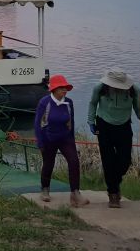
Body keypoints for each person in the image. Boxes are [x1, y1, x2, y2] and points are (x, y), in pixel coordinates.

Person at [87, 68, 140, 208]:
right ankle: (113, 194)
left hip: (124, 126)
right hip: (104, 125)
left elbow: (139, 108)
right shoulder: (100, 88)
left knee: (125, 161)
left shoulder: (133, 90)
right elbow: (93, 103)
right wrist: (91, 121)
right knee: (108, 160)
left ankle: (114, 183)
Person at [35, 74, 88, 207]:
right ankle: (45, 189)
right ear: (54, 89)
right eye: (61, 88)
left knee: (74, 161)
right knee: (48, 163)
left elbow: (72, 122)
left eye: (65, 88)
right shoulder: (44, 102)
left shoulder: (69, 103)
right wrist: (40, 142)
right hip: (49, 138)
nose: (64, 90)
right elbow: (37, 124)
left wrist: (72, 140)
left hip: (65, 138)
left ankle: (75, 193)